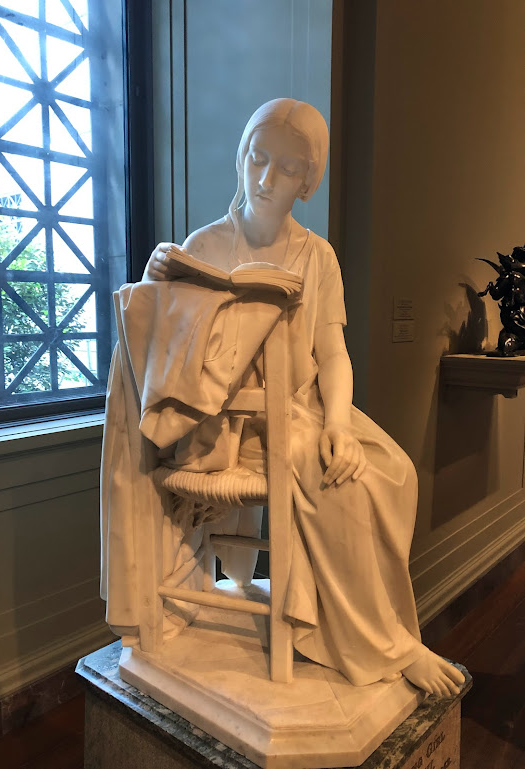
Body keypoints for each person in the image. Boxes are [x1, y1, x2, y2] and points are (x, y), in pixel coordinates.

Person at [141, 98, 465, 697]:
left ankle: (373, 622)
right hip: (227, 424)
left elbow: (333, 355)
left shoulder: (318, 257)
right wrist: (156, 281)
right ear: (242, 157)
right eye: (258, 159)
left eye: (286, 169)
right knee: (338, 483)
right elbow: (162, 353)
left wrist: (339, 421)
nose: (265, 180)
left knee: (390, 471)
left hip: (303, 407)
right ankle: (387, 646)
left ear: (308, 180)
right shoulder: (204, 246)